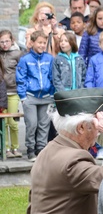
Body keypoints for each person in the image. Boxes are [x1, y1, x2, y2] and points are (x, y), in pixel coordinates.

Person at [16, 31, 56, 161]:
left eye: (44, 43)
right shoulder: (25, 60)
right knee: (32, 124)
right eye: (39, 42)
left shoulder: (49, 58)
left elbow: (52, 77)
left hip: (46, 97)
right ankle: (31, 150)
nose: (42, 45)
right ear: (32, 43)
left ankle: (41, 149)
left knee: (44, 124)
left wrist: (52, 93)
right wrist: (23, 97)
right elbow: (21, 79)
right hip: (30, 97)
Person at [0, 30, 22, 157]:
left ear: (11, 40)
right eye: (1, 42)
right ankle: (6, 148)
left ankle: (15, 147)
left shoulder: (17, 54)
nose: (4, 44)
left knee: (13, 122)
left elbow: (22, 72)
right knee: (4, 122)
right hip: (1, 93)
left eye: (6, 41)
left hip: (13, 92)